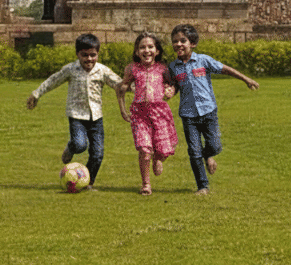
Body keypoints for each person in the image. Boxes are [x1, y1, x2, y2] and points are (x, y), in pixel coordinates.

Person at [169, 24, 260, 194]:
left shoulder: (204, 60)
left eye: (183, 41)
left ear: (193, 43)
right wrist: (169, 92)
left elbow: (225, 69)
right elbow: (174, 86)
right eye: (175, 41)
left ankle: (208, 155)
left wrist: (246, 79)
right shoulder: (173, 67)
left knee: (215, 146)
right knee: (193, 151)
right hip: (188, 115)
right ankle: (202, 186)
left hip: (208, 111)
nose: (178, 44)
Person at [26, 33, 123, 189]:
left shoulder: (102, 70)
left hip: (96, 117)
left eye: (93, 55)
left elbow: (118, 83)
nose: (89, 59)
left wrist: (138, 89)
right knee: (79, 145)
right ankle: (70, 148)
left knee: (97, 154)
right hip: (77, 115)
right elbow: (53, 80)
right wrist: (37, 93)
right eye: (85, 55)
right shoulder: (71, 69)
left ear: (97, 54)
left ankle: (88, 182)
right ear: (78, 54)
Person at [116, 32, 178, 196]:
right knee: (144, 149)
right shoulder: (132, 68)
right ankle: (146, 184)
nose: (147, 50)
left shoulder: (163, 68)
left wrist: (170, 90)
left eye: (150, 47)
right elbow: (121, 89)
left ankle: (158, 158)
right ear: (137, 52)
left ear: (157, 51)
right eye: (142, 47)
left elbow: (171, 86)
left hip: (160, 112)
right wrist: (122, 109)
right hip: (139, 114)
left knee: (164, 150)